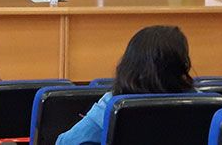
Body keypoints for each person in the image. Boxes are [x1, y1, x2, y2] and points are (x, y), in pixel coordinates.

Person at [56, 25, 195, 145]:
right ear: (182, 65)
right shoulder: (202, 102)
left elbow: (66, 142)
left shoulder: (113, 104)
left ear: (130, 63)